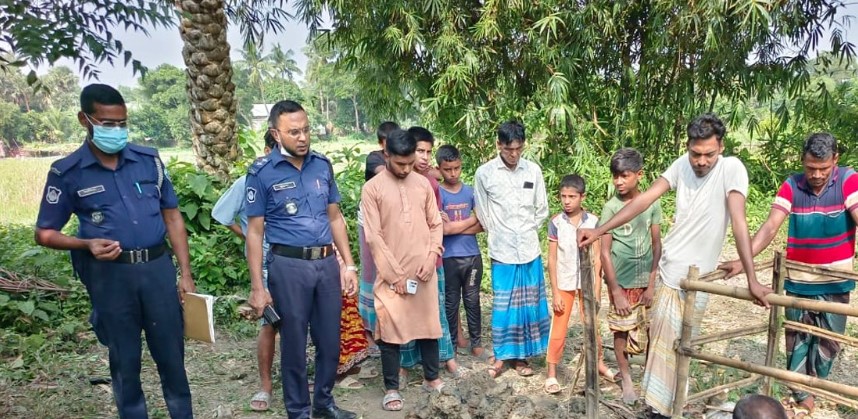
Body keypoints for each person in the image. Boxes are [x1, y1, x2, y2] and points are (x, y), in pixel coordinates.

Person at [578, 113, 770, 418]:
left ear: (721, 146)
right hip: (671, 270)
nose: (702, 161)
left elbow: (739, 221)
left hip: (699, 276)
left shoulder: (732, 169)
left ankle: (666, 408)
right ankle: (659, 409)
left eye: (709, 153)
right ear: (688, 147)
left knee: (682, 347)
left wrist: (752, 278)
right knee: (663, 348)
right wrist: (601, 229)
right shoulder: (681, 165)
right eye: (696, 153)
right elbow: (643, 201)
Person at [34, 84, 195, 418]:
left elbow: (173, 217)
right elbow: (44, 233)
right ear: (85, 120)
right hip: (111, 279)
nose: (117, 130)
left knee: (172, 358)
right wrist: (84, 243)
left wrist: (185, 274)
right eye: (108, 123)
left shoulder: (148, 161)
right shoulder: (68, 172)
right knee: (125, 362)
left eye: (122, 122)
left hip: (156, 272)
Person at [720, 133, 858, 417]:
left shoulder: (848, 181)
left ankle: (816, 385)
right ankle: (802, 395)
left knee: (830, 342)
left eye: (823, 168)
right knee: (797, 341)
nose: (817, 175)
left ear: (835, 160)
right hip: (798, 280)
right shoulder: (792, 185)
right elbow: (771, 227)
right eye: (810, 168)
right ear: (802, 162)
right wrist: (740, 261)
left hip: (836, 280)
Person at [245, 100, 358, 419]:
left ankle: (323, 402)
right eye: (294, 132)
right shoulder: (262, 173)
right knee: (294, 343)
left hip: (325, 265)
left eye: (306, 129)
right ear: (275, 134)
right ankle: (298, 410)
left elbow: (335, 217)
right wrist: (258, 286)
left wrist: (347, 264)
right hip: (288, 266)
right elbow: (255, 233)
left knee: (330, 340)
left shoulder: (322, 165)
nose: (303, 137)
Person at [360, 128, 445, 411]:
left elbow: (435, 224)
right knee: (390, 330)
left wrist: (431, 256)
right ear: (386, 154)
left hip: (423, 271)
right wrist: (394, 275)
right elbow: (374, 236)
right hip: (391, 276)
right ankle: (392, 387)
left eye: (410, 163)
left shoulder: (422, 184)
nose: (406, 169)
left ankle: (432, 378)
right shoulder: (372, 189)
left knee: (428, 324)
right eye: (400, 164)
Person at [474, 120, 551, 378]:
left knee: (529, 305)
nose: (514, 154)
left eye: (518, 149)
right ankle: (500, 355)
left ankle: (521, 358)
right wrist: (498, 232)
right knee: (503, 305)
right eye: (508, 149)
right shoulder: (485, 174)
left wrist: (527, 230)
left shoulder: (533, 171)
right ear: (499, 145)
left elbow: (542, 209)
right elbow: (482, 212)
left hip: (529, 249)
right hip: (502, 251)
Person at [211, 132, 277, 411]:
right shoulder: (246, 182)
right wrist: (251, 238)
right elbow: (222, 214)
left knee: (300, 322)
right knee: (269, 323)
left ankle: (298, 378)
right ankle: (265, 386)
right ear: (266, 150)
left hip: (296, 262)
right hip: (265, 264)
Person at [599, 148, 662, 404]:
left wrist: (651, 283)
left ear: (639, 175)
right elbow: (604, 252)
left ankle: (649, 379)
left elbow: (656, 244)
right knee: (620, 332)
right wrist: (614, 290)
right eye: (615, 176)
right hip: (621, 284)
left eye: (624, 176)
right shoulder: (611, 207)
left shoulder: (651, 204)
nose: (618, 182)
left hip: (645, 282)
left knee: (651, 332)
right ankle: (626, 379)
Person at [397, 126, 460, 380]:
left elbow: (435, 223)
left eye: (427, 151)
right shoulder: (393, 181)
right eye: (419, 150)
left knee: (435, 311)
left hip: (431, 257)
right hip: (403, 258)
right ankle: (404, 363)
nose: (423, 157)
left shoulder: (431, 183)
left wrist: (432, 253)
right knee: (404, 312)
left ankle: (446, 359)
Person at [544, 174, 610, 394]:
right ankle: (551, 373)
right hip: (564, 280)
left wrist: (598, 289)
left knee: (591, 325)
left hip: (588, 283)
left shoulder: (594, 221)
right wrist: (555, 292)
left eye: (572, 196)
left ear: (582, 197)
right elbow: (552, 259)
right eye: (563, 196)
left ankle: (598, 364)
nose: (567, 201)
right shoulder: (555, 223)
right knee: (559, 327)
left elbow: (598, 258)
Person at [436, 144, 486, 359]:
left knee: (473, 300)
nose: (453, 173)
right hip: (448, 258)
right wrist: (470, 222)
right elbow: (440, 230)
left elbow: (483, 224)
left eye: (457, 168)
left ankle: (476, 343)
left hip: (472, 256)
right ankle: (452, 346)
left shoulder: (470, 192)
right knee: (451, 302)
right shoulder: (437, 193)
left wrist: (454, 227)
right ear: (439, 169)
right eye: (448, 169)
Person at [359, 121, 399, 357]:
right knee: (371, 275)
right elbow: (386, 175)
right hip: (369, 224)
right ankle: (368, 332)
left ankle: (389, 327)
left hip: (391, 225)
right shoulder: (375, 159)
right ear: (381, 144)